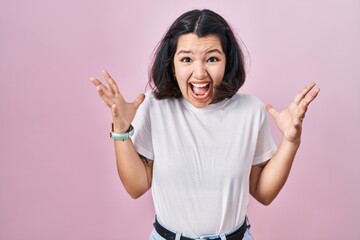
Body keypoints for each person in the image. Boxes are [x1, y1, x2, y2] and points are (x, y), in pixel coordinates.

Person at [91, 9, 319, 240]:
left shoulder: (250, 111)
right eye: (186, 59)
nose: (199, 73)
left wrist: (291, 142)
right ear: (172, 64)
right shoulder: (155, 107)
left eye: (212, 58)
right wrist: (121, 130)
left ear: (227, 61)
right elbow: (136, 187)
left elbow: (263, 192)